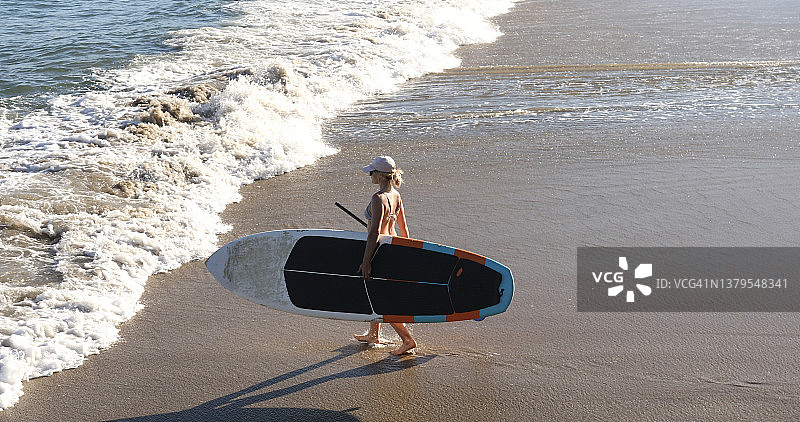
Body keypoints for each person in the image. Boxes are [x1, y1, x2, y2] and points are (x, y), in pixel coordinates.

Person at [354, 155, 416, 355]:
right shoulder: (396, 195)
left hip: (379, 252)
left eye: (372, 172)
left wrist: (366, 261)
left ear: (380, 175)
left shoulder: (378, 198)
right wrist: (407, 252)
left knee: (381, 299)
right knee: (375, 292)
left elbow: (374, 233)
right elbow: (404, 228)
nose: (370, 175)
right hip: (393, 249)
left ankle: (407, 340)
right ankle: (374, 334)